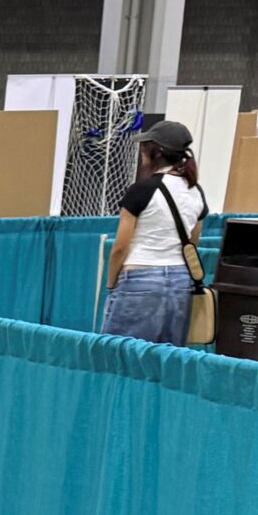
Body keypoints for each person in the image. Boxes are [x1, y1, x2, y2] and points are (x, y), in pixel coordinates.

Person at [103, 119, 210, 345]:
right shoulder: (196, 191)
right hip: (181, 281)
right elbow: (192, 243)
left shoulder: (142, 189)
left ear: (156, 152)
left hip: (141, 277)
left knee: (121, 356)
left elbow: (121, 247)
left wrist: (111, 283)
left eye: (145, 147)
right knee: (167, 360)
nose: (142, 152)